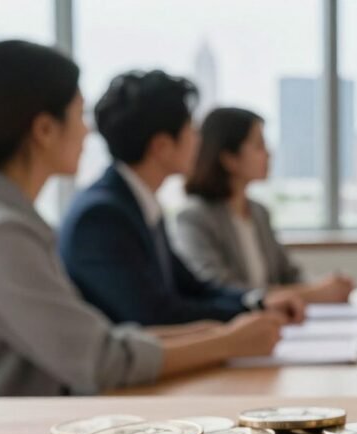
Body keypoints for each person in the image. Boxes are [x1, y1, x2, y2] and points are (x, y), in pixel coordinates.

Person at [0, 41, 282, 397]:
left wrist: (220, 333)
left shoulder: (3, 222)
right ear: (44, 130)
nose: (88, 131)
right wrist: (227, 342)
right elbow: (101, 360)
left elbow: (103, 337)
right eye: (79, 114)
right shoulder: (0, 236)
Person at [58, 70, 305, 326]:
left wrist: (258, 302)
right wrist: (250, 317)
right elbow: (155, 316)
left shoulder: (138, 203)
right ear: (162, 146)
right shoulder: (102, 215)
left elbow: (192, 287)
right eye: (191, 130)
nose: (199, 141)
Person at [174, 107, 353, 302]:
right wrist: (314, 293)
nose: (268, 154)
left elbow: (288, 274)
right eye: (259, 146)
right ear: (229, 158)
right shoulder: (194, 218)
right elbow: (220, 289)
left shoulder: (258, 212)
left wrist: (324, 285)